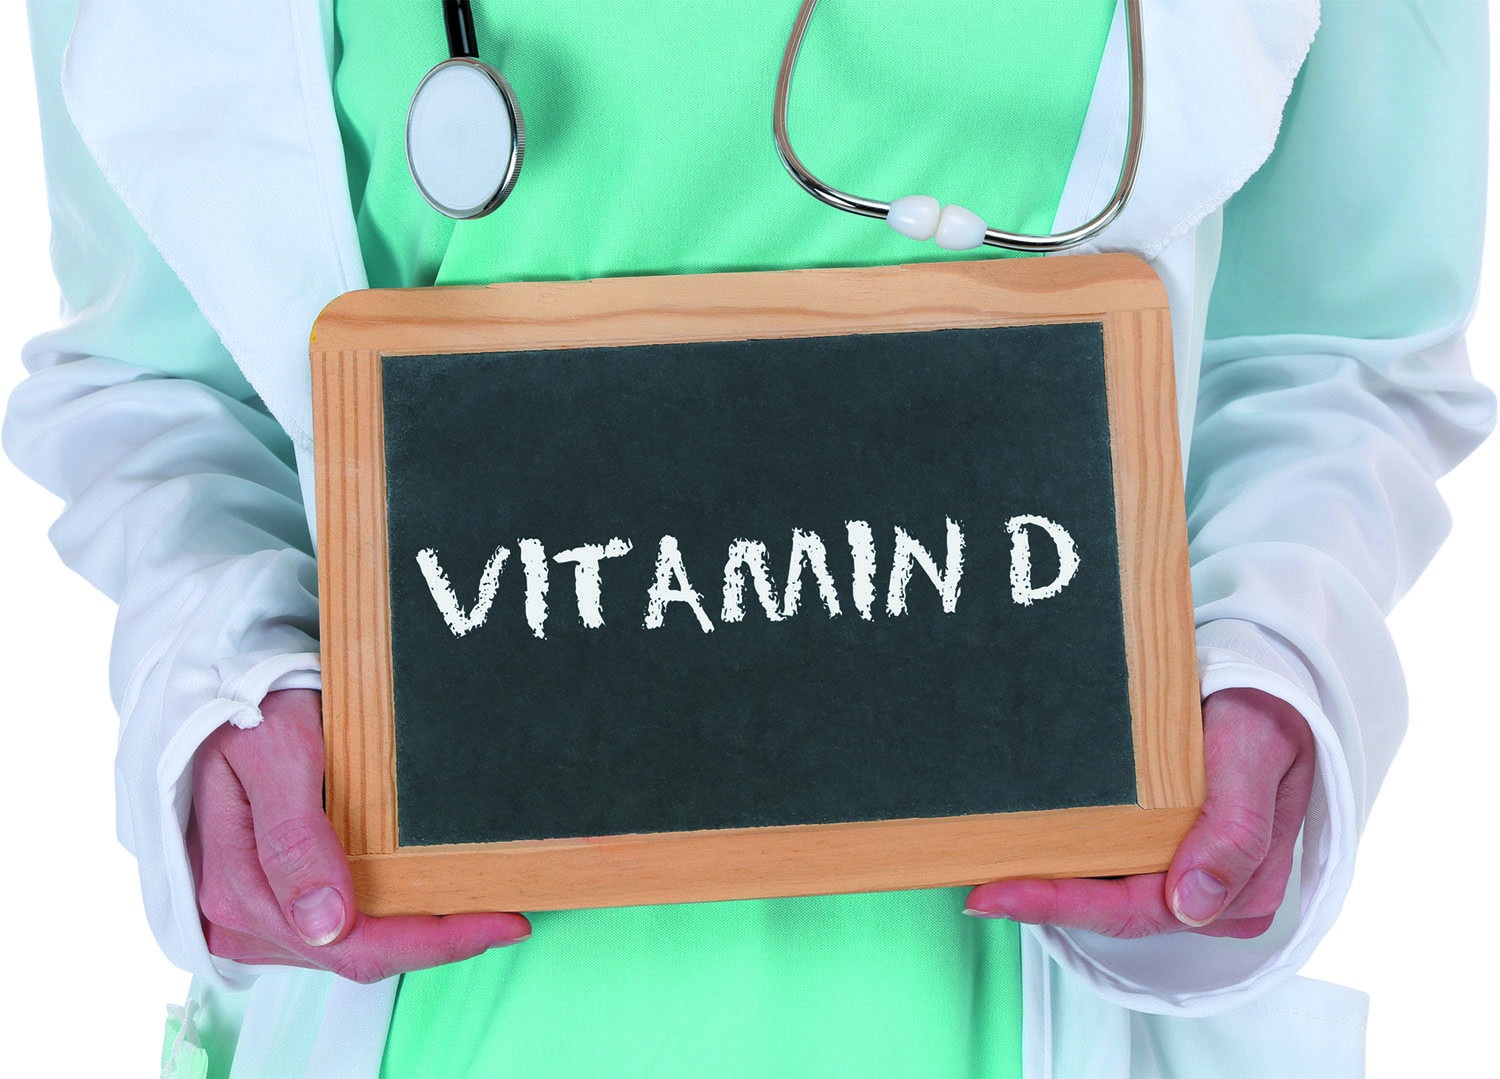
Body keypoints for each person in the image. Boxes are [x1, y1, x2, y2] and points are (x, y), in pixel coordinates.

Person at [5, 1, 1492, 1075]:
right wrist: (222, 692)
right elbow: (164, 375)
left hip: (1021, 987)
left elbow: (1337, 343)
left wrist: (1269, 669)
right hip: (448, 1012)